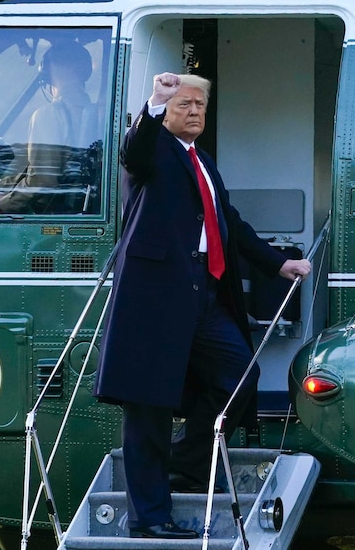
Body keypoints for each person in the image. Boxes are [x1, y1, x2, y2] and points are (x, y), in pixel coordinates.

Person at [93, 72, 311, 539]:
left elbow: (228, 221)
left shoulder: (202, 160)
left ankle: (185, 463)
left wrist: (278, 264)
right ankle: (149, 518)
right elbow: (133, 150)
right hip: (155, 296)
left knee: (239, 377)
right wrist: (153, 103)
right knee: (148, 406)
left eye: (200, 106)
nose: (193, 112)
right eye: (184, 105)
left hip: (202, 291)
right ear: (166, 111)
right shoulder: (152, 151)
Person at [0, 40, 94, 213]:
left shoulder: (48, 115)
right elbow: (35, 174)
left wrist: (4, 203)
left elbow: (43, 180)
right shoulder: (96, 113)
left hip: (49, 214)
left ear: (48, 71)